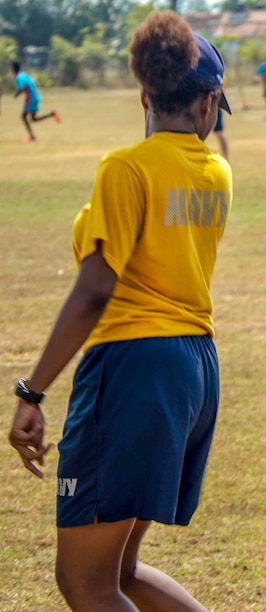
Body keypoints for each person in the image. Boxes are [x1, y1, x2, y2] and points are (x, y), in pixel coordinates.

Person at [7, 12, 231, 610]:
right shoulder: (217, 172)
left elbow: (94, 290)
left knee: (85, 583)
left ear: (144, 96)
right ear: (208, 104)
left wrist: (32, 392)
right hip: (194, 366)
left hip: (134, 365)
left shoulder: (126, 167)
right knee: (121, 571)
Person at [12, 62, 60, 143]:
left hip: (30, 98)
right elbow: (34, 83)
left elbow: (22, 88)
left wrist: (16, 95)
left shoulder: (18, 77)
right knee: (33, 119)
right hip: (35, 96)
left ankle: (32, 136)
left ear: (13, 69)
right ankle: (51, 114)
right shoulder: (24, 74)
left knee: (24, 117)